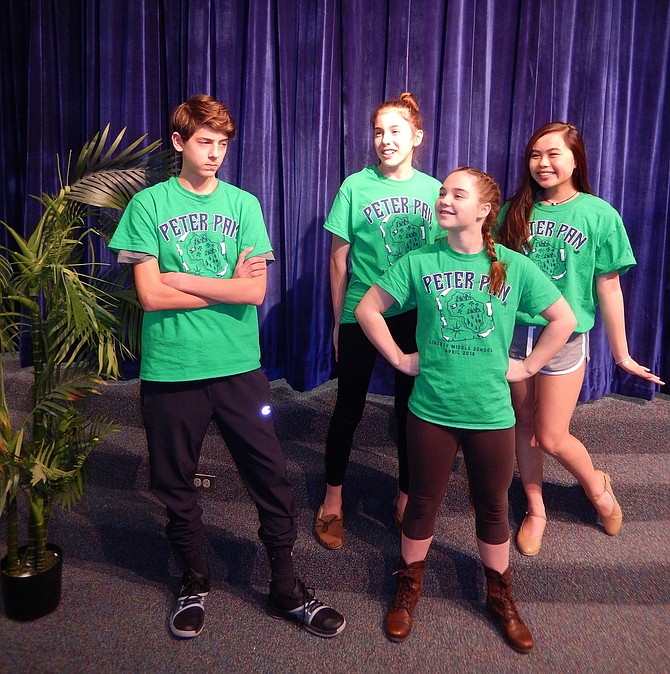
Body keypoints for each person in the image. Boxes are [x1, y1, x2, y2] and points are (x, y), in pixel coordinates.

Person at [108, 94, 345, 639]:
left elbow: (255, 292)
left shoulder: (244, 205)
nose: (214, 154)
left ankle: (286, 587)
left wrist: (182, 278)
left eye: (222, 144)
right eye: (204, 142)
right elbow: (149, 298)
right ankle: (195, 579)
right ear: (179, 143)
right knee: (174, 483)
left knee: (271, 476)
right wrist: (226, 290)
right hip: (171, 371)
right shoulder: (147, 206)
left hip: (239, 367)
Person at [355, 167, 577, 652]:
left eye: (457, 193)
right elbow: (366, 309)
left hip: (491, 415)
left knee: (494, 507)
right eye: (441, 192)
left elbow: (564, 318)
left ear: (483, 210)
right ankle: (408, 585)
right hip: (432, 409)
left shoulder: (514, 267)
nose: (444, 199)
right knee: (422, 504)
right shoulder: (419, 261)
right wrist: (397, 357)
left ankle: (500, 596)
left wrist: (529, 365)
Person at [496, 122, 664, 557]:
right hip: (514, 335)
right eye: (535, 155)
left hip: (564, 338)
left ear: (575, 160)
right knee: (523, 424)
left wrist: (622, 354)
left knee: (551, 435)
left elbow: (608, 287)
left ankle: (596, 486)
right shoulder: (514, 210)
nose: (543, 163)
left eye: (553, 154)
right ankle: (536, 508)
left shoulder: (598, 214)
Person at [315, 92, 442, 550]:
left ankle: (406, 497)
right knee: (348, 407)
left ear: (416, 137)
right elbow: (338, 261)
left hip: (415, 315)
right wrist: (337, 322)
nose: (385, 140)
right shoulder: (355, 186)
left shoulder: (434, 190)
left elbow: (444, 258)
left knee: (413, 411)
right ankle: (333, 498)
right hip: (361, 313)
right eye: (378, 132)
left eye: (395, 131)